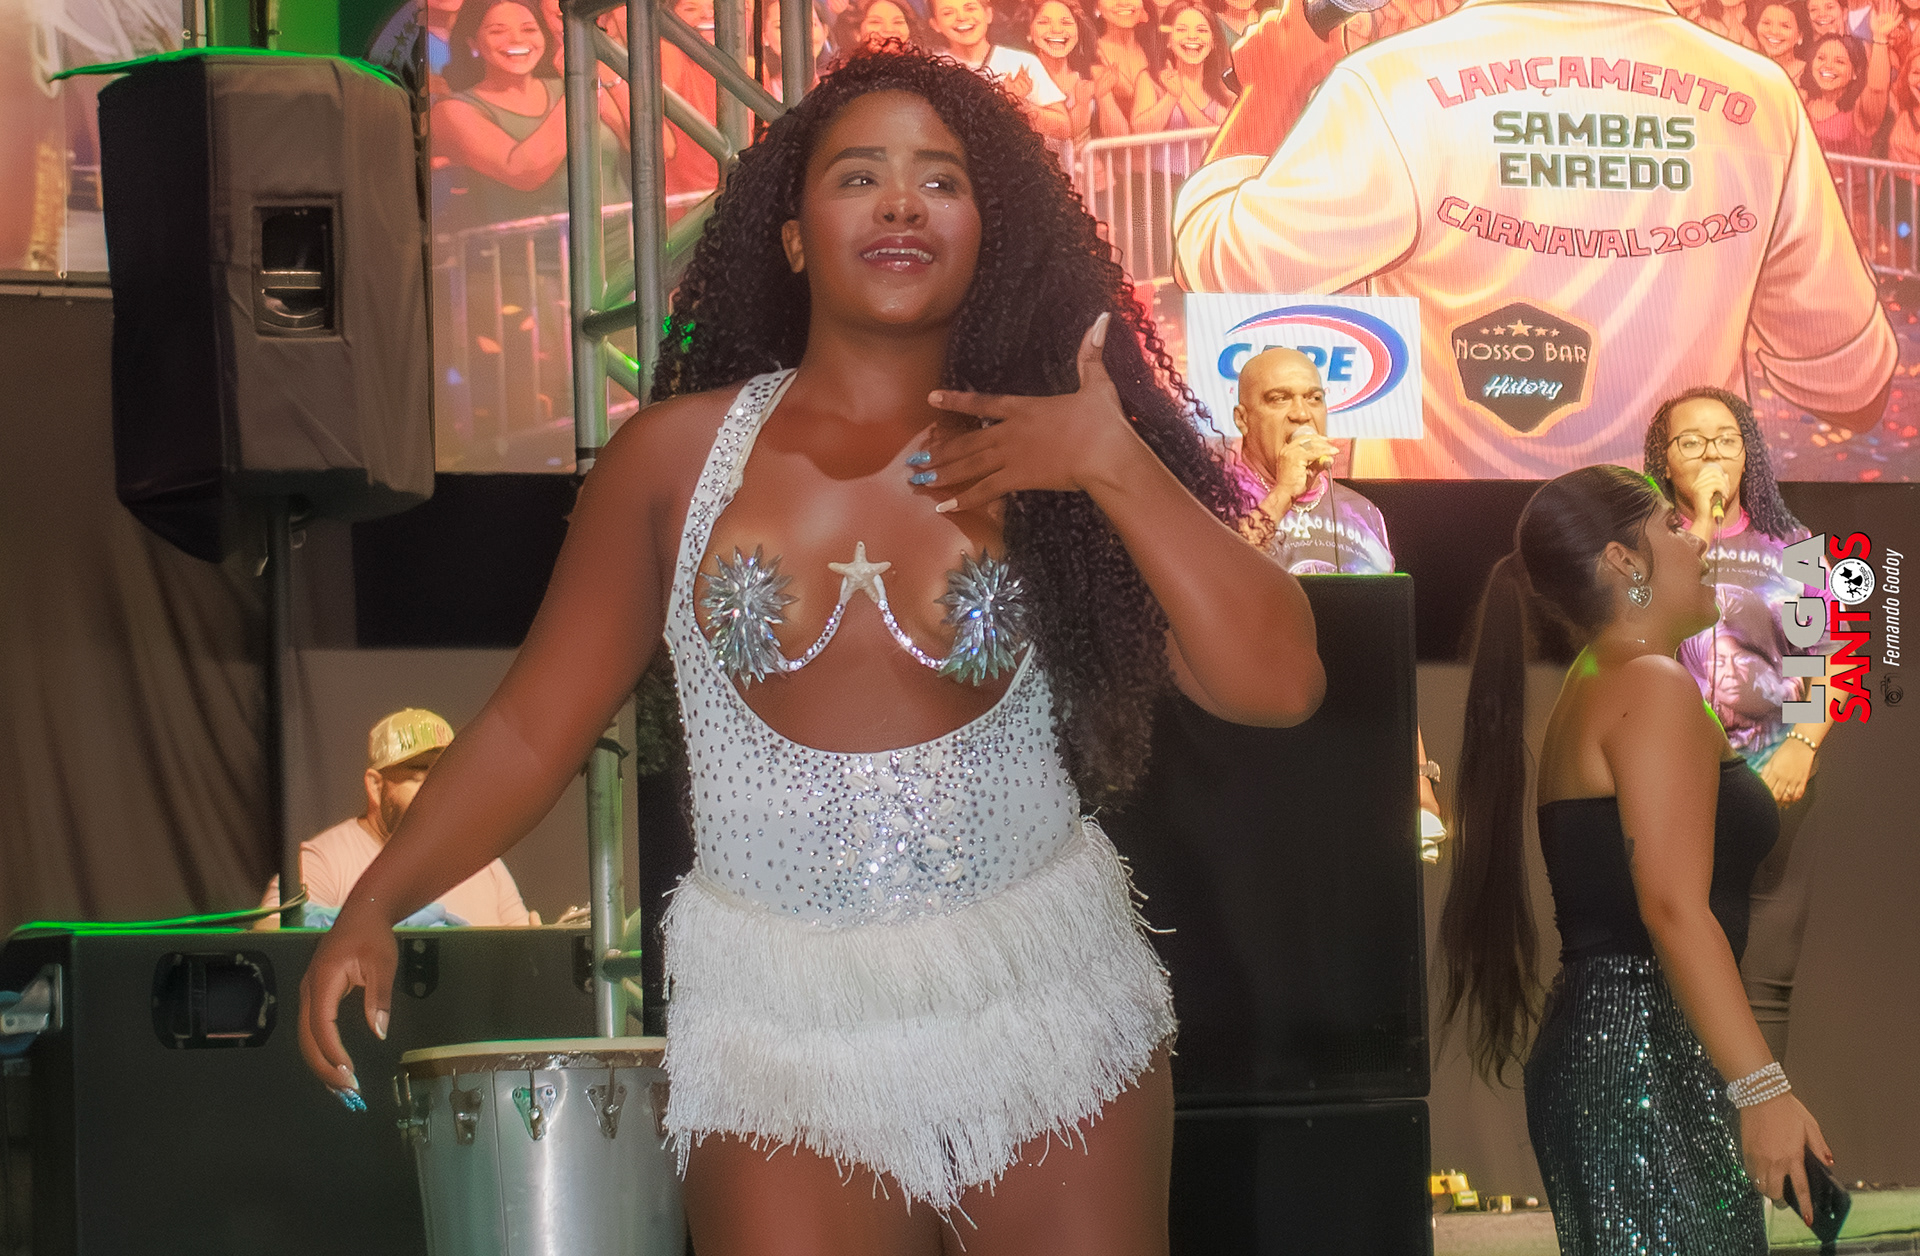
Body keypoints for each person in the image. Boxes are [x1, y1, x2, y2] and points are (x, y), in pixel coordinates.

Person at [298, 45, 1323, 1253]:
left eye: (941, 181)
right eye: (859, 177)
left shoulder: (1050, 452)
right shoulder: (673, 461)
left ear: (987, 232)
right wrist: (377, 896)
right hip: (775, 1019)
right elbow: (532, 728)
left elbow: (1282, 684)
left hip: (1042, 994)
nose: (901, 204)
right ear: (791, 236)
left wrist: (1114, 463)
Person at [1172, 0, 1898, 479]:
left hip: (1445, 550)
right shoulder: (1761, 99)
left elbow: (1223, 271)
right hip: (1674, 561)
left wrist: (1272, 88)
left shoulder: (1391, 87)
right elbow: (1851, 388)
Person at [1438, 464, 1833, 1254]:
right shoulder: (1648, 684)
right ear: (1624, 561)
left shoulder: (1607, 680)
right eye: (1673, 525)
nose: (1701, 540)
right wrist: (1763, 1090)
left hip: (1631, 1048)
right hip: (1643, 1054)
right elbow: (1672, 907)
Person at [1644, 387, 1838, 1064]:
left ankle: (1760, 1125)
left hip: (1773, 779)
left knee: (1764, 976)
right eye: (1691, 442)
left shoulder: (1795, 545)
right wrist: (1698, 525)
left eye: (1726, 440)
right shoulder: (1642, 545)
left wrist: (1803, 745)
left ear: (1747, 451)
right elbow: (1637, 631)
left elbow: (1826, 659)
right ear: (1664, 459)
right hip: (1667, 784)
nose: (1712, 455)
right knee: (1674, 963)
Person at [1229, 347, 1444, 829]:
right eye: (1279, 399)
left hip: (1353, 744)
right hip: (1253, 747)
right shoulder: (1211, 496)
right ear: (1242, 418)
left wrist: (1419, 779)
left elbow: (1386, 651)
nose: (1301, 414)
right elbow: (1221, 586)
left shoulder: (1362, 512)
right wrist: (1283, 493)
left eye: (1314, 398)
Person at [258, 710, 532, 929]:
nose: (436, 792)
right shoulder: (324, 861)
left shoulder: (483, 863)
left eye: (444, 776)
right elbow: (270, 937)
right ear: (376, 786)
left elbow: (523, 951)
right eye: (419, 777)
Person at [930, 0, 1076, 138]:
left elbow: (1064, 128)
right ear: (935, 24)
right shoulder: (932, 69)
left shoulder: (1021, 62)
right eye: (948, 13)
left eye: (970, 8)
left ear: (988, 14)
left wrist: (1020, 105)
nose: (962, 17)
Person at [1128, 0, 1233, 132]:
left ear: (1213, 42)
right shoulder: (1150, 80)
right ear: (1168, 40)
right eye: (1181, 30)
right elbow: (1139, 130)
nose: (1192, 36)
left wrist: (1181, 95)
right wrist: (1171, 97)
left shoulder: (1225, 87)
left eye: (1201, 30)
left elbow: (1224, 136)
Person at [1801, 24, 1894, 156]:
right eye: (1821, 58)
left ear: (1855, 72)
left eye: (1840, 62)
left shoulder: (1860, 111)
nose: (1827, 66)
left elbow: (1877, 89)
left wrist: (1880, 38)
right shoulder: (1804, 101)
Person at [1753, 0, 1812, 89]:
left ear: (1800, 35)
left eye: (1785, 26)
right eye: (1766, 23)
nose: (1774, 31)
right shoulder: (1747, 66)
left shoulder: (1811, 75)